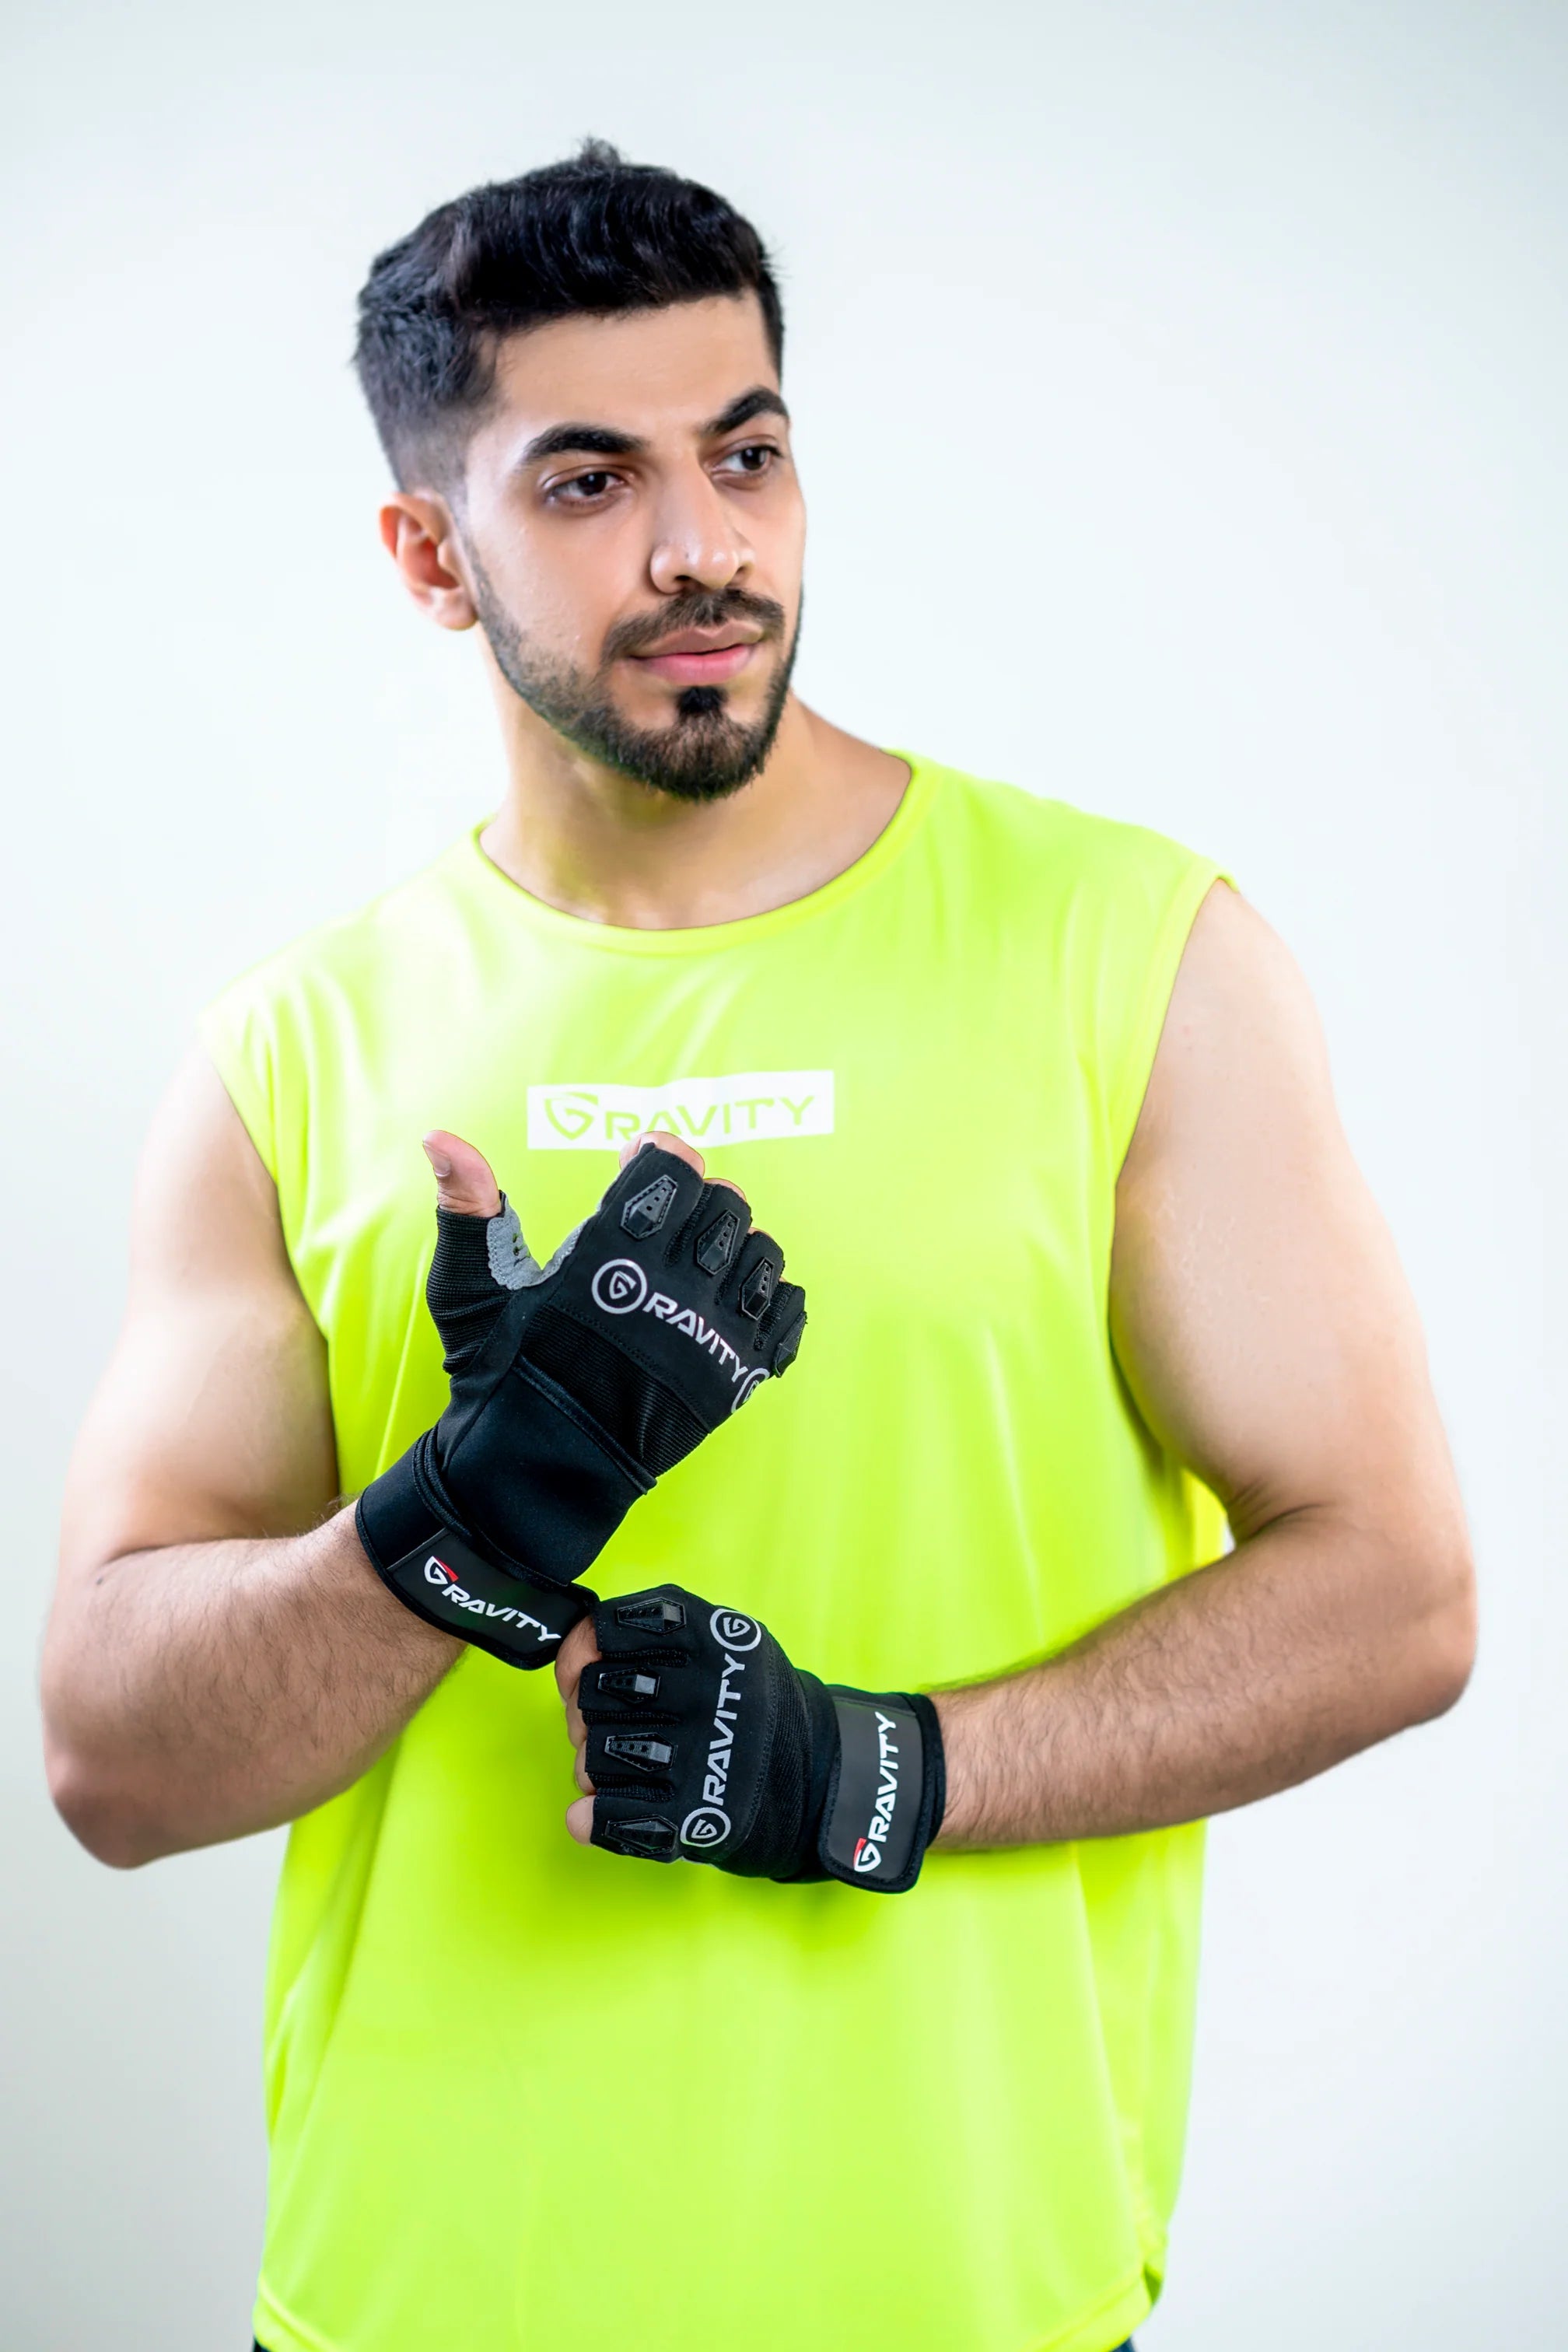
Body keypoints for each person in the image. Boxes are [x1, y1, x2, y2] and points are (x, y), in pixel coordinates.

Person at [40, 142, 1475, 2352]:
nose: (704, 548)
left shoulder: (1127, 955)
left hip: (963, 2298)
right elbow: (115, 1766)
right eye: (592, 480)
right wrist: (460, 1525)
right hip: (417, 2302)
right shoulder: (299, 1053)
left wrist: (882, 1769)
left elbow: (1397, 1593)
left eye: (749, 453)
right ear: (434, 554)